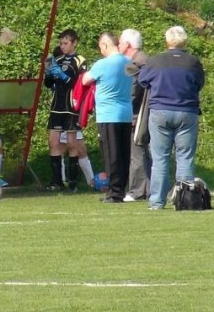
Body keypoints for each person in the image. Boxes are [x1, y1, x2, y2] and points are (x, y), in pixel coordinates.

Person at [137, 26, 205, 210]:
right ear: (185, 41)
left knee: (160, 158)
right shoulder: (193, 62)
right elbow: (199, 83)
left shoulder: (155, 61)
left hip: (160, 111)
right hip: (187, 111)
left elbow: (143, 81)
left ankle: (157, 201)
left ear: (167, 41)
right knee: (185, 157)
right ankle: (185, 200)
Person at [82, 32, 134, 203]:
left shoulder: (102, 64)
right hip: (126, 113)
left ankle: (114, 192)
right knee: (123, 153)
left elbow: (85, 80)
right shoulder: (129, 62)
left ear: (105, 45)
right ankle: (121, 188)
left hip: (108, 114)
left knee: (111, 154)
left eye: (100, 47)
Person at [44, 30, 87, 191]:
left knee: (71, 144)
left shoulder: (80, 60)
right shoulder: (57, 59)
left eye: (66, 43)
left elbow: (80, 84)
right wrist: (49, 74)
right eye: (61, 43)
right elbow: (48, 84)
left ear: (74, 43)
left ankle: (73, 182)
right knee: (53, 142)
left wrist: (64, 76)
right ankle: (57, 182)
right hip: (57, 106)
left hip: (71, 107)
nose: (62, 46)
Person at [119, 29, 150, 202]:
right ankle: (148, 189)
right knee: (146, 153)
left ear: (127, 45)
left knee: (137, 153)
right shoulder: (146, 60)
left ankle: (136, 191)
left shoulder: (136, 64)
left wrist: (124, 109)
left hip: (138, 115)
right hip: (147, 113)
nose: (118, 46)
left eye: (120, 43)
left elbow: (133, 93)